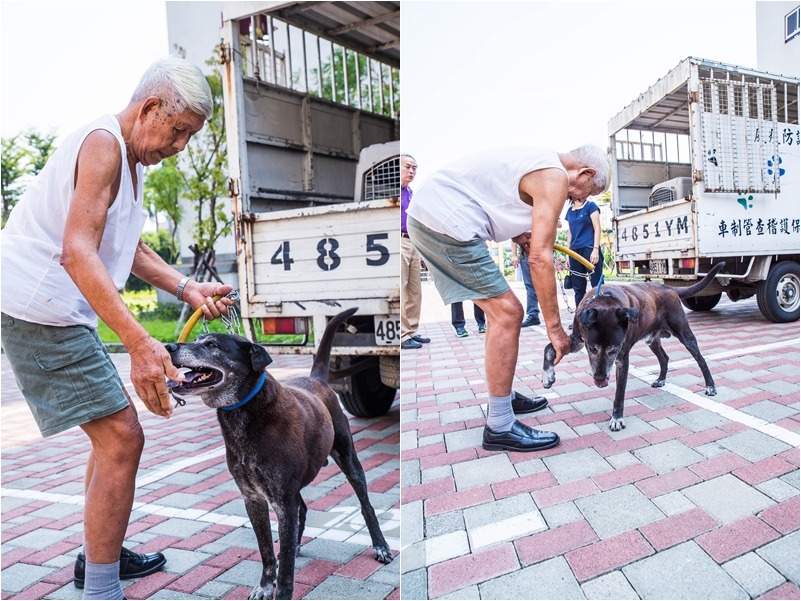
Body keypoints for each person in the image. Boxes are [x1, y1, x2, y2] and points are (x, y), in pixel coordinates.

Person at [0, 57, 234, 601]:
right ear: (150, 107)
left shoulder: (129, 159)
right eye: (178, 131)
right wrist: (141, 342)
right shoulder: (104, 144)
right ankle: (100, 588)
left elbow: (131, 248)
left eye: (188, 137)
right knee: (124, 438)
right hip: (38, 306)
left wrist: (187, 288)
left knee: (111, 439)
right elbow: (78, 252)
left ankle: (96, 554)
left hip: (53, 307)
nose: (179, 146)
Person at [407, 145, 610, 452]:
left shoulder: (540, 161)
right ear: (585, 172)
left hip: (434, 217)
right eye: (586, 191)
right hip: (443, 223)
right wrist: (555, 330)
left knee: (499, 314)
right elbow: (540, 259)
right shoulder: (554, 175)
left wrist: (519, 234)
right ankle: (500, 425)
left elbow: (495, 199)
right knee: (508, 313)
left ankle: (503, 396)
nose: (579, 198)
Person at [400, 153, 430, 350]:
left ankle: (411, 331)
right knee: (401, 289)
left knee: (414, 291)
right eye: (408, 166)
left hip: (414, 242)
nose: (412, 171)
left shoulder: (411, 192)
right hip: (399, 240)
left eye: (415, 167)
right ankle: (402, 335)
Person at [564, 194, 604, 308]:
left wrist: (595, 249)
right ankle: (580, 316)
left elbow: (597, 228)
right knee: (578, 287)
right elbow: (570, 233)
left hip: (589, 248)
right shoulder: (569, 211)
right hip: (574, 252)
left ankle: (600, 314)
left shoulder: (591, 206)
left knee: (597, 285)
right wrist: (568, 254)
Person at [510, 233, 541, 327]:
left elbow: (558, 224)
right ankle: (533, 315)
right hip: (525, 252)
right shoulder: (519, 219)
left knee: (546, 286)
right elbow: (513, 235)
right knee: (530, 285)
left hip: (541, 252)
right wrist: (514, 255)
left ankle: (552, 316)